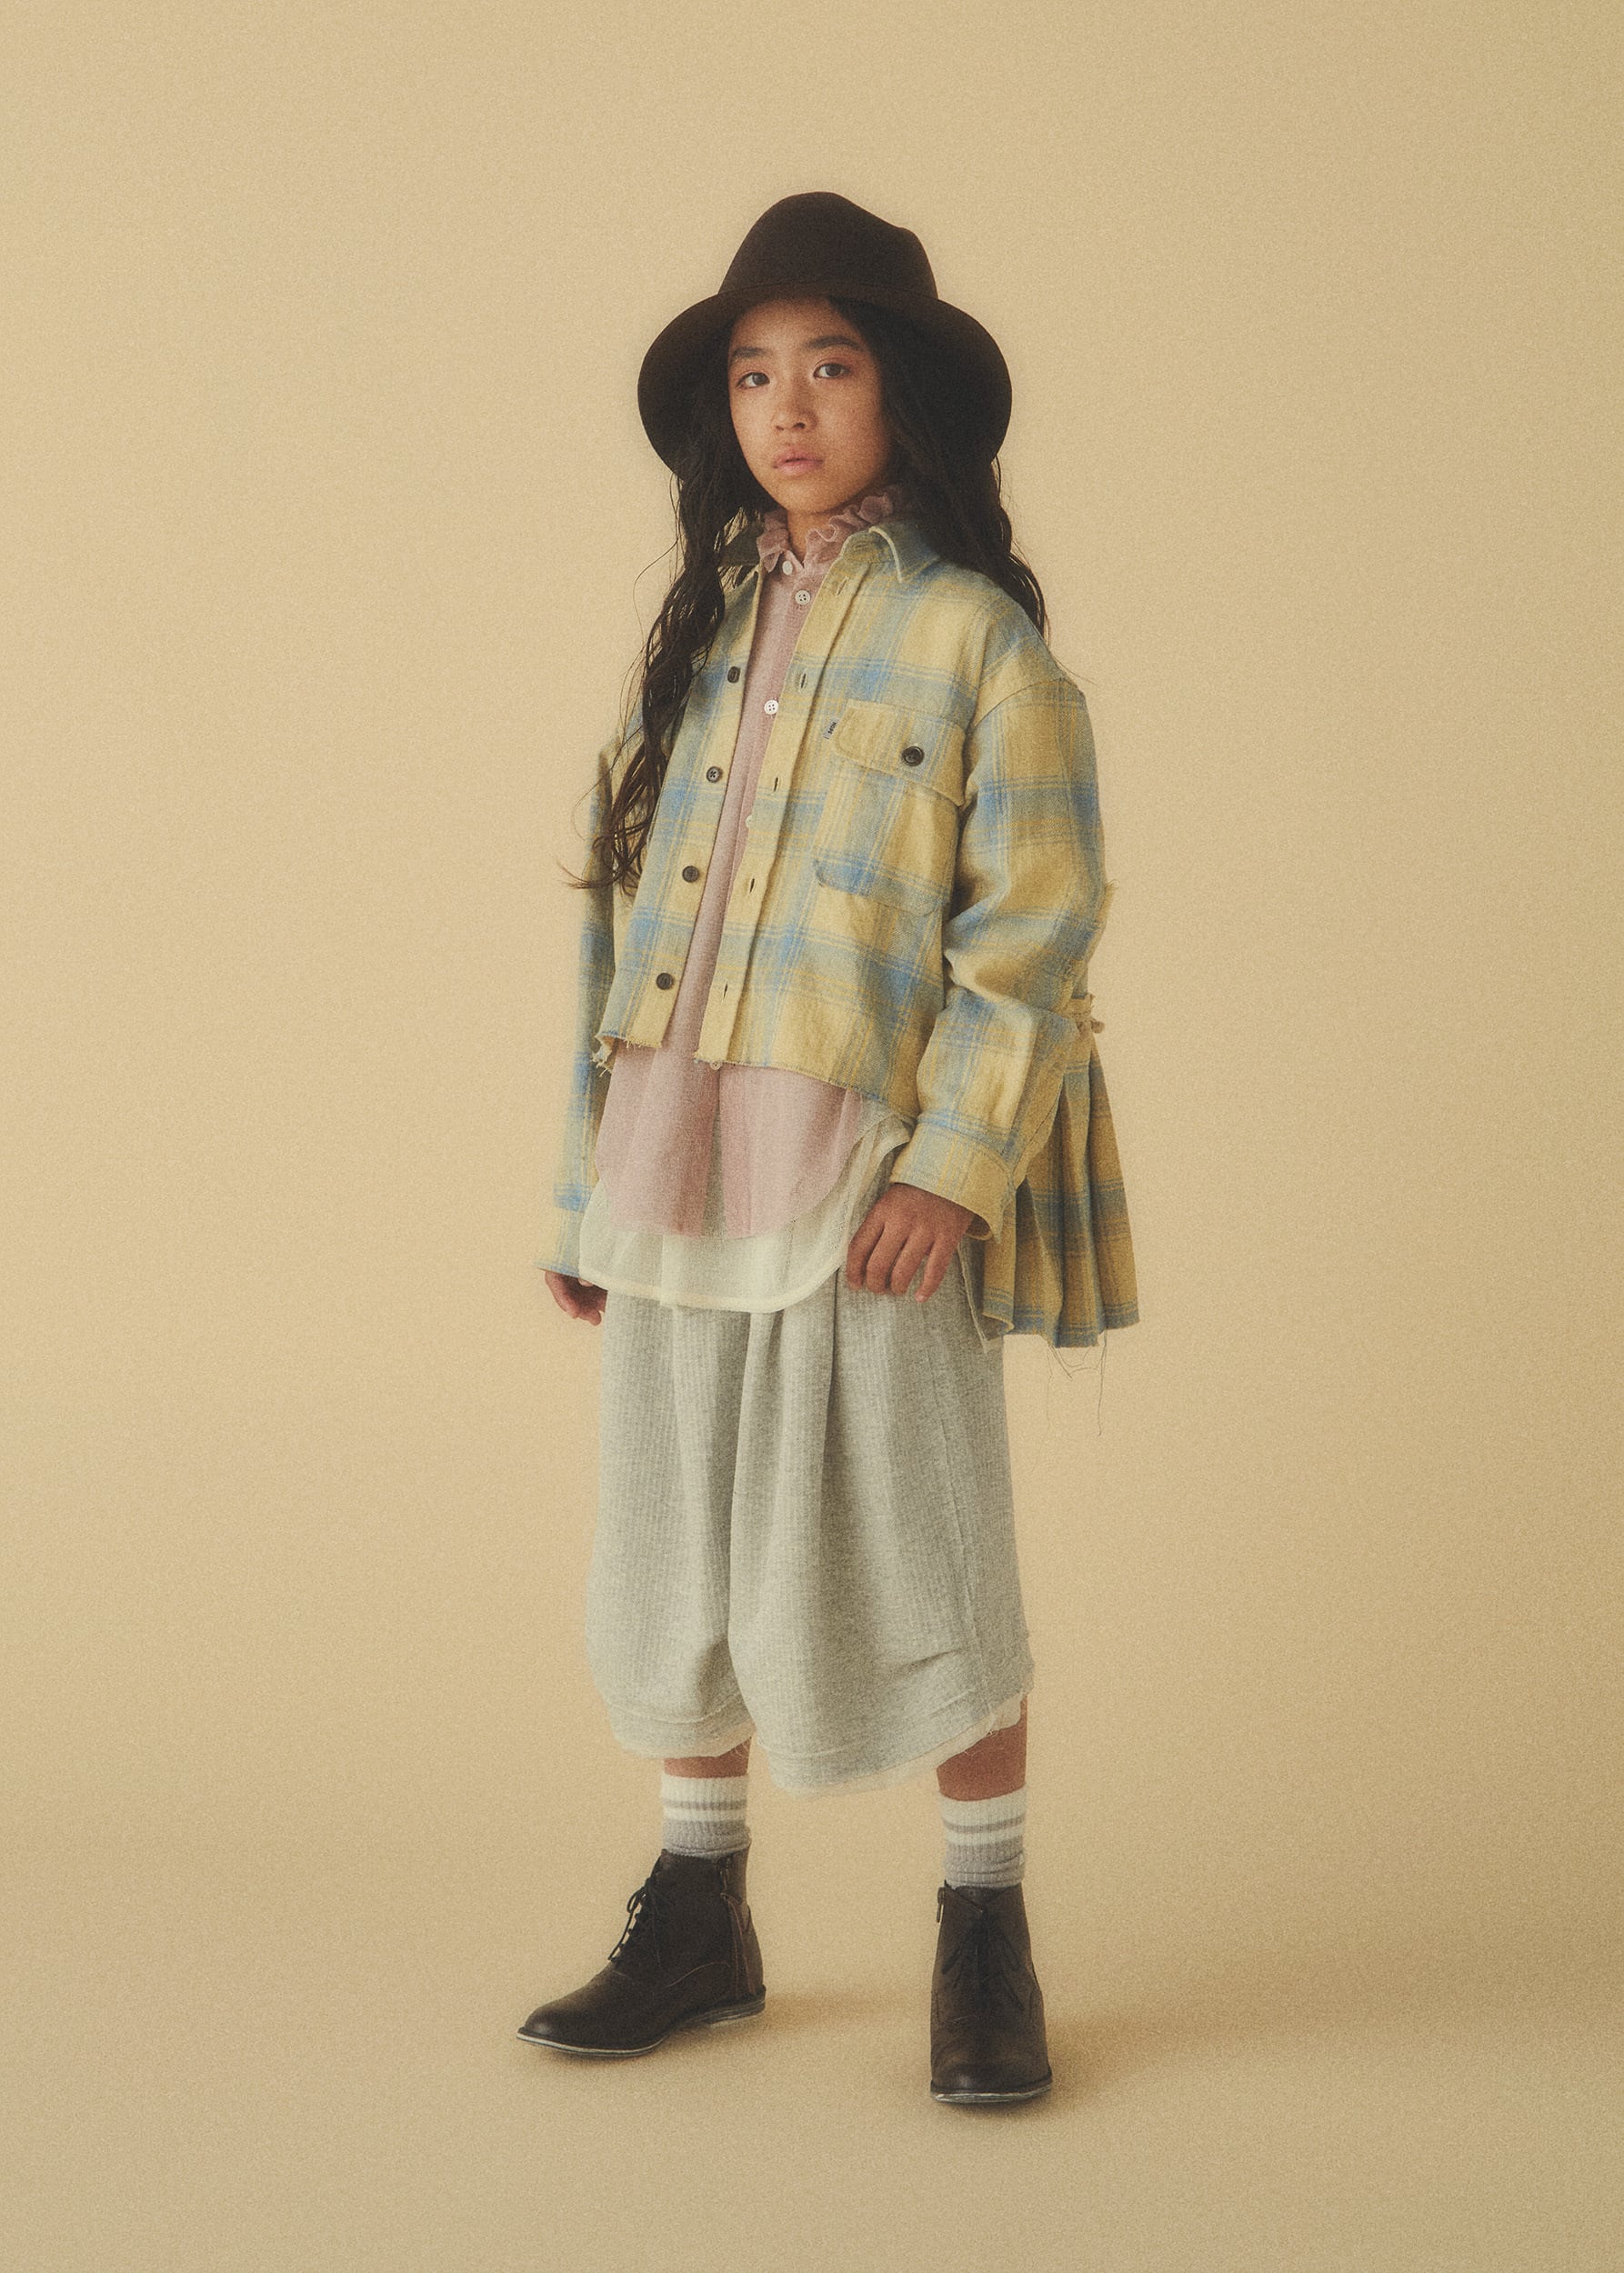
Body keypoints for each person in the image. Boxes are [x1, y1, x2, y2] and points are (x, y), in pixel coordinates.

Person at [518, 192, 1139, 2106]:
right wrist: (586, 1187)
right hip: (677, 1156)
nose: (786, 407)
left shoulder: (976, 646)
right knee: (673, 1534)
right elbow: (619, 922)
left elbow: (1029, 930)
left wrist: (953, 1160)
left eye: (831, 366)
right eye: (752, 374)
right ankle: (698, 1911)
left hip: (863, 1165)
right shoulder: (700, 644)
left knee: (923, 1539)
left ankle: (983, 1930)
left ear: (903, 396)